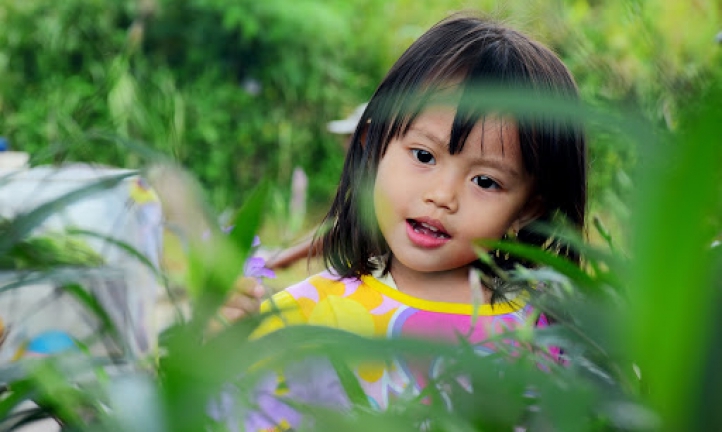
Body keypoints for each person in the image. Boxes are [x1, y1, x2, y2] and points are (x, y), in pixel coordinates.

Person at [237, 12, 587, 430]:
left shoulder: (543, 334)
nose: (442, 196)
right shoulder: (307, 317)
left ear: (530, 208)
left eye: (485, 181)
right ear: (373, 148)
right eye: (423, 156)